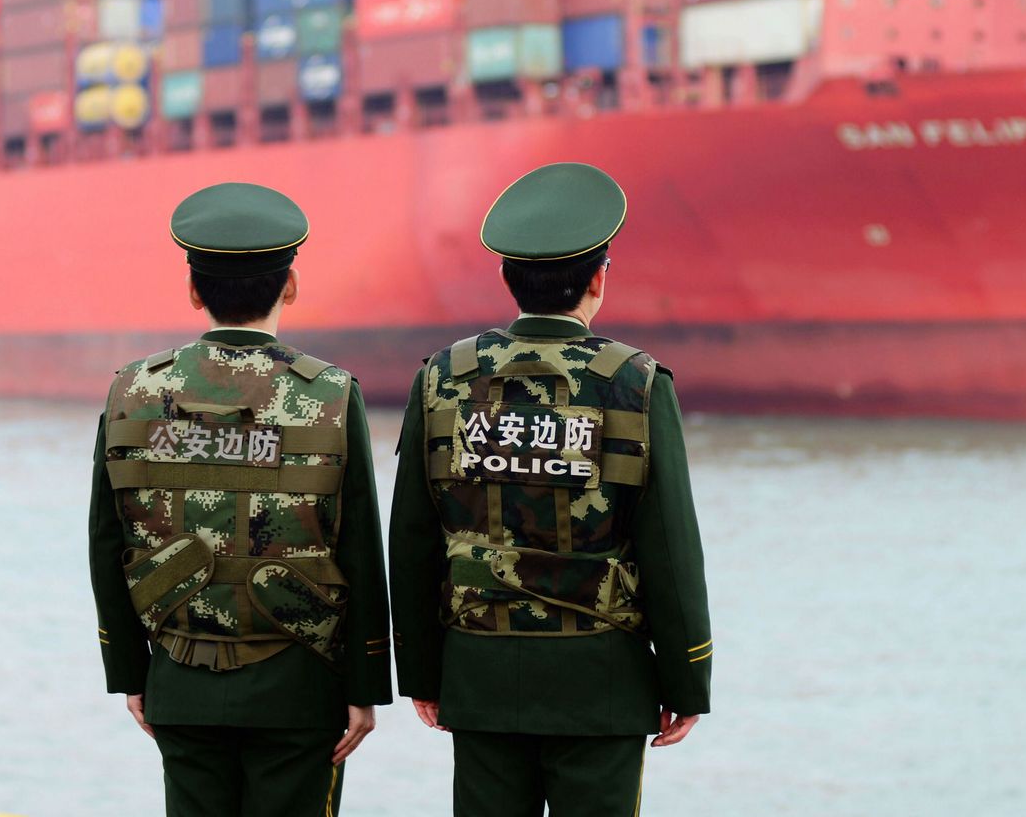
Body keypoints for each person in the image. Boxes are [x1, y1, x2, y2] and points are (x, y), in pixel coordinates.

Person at [388, 162, 714, 817]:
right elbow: (670, 547)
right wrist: (687, 680)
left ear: (507, 278)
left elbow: (414, 538)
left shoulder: (442, 378)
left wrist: (425, 674)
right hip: (603, 679)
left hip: (479, 674)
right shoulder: (636, 384)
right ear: (598, 280)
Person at [88, 182, 391, 817]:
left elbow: (107, 540)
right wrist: (365, 686)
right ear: (291, 286)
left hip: (179, 680)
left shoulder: (131, 391)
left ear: (194, 291)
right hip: (300, 688)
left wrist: (131, 676)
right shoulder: (332, 395)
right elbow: (359, 545)